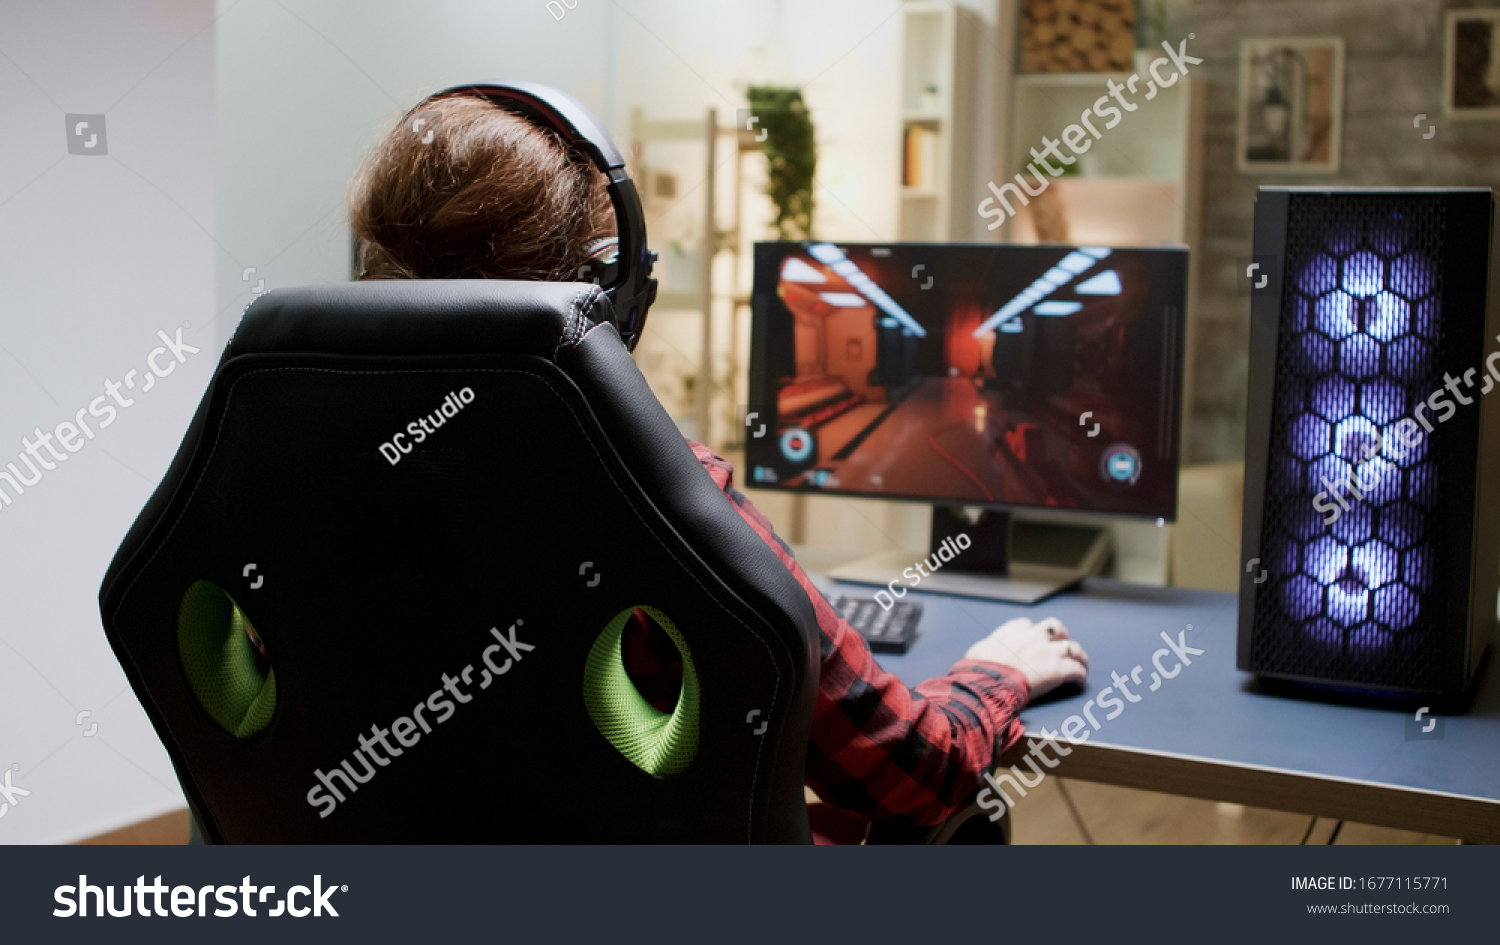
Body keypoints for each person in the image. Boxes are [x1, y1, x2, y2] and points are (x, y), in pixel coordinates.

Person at [346, 92, 1090, 834]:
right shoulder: (660, 503)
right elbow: (916, 772)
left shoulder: (314, 482)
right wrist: (1000, 672)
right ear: (612, 294)